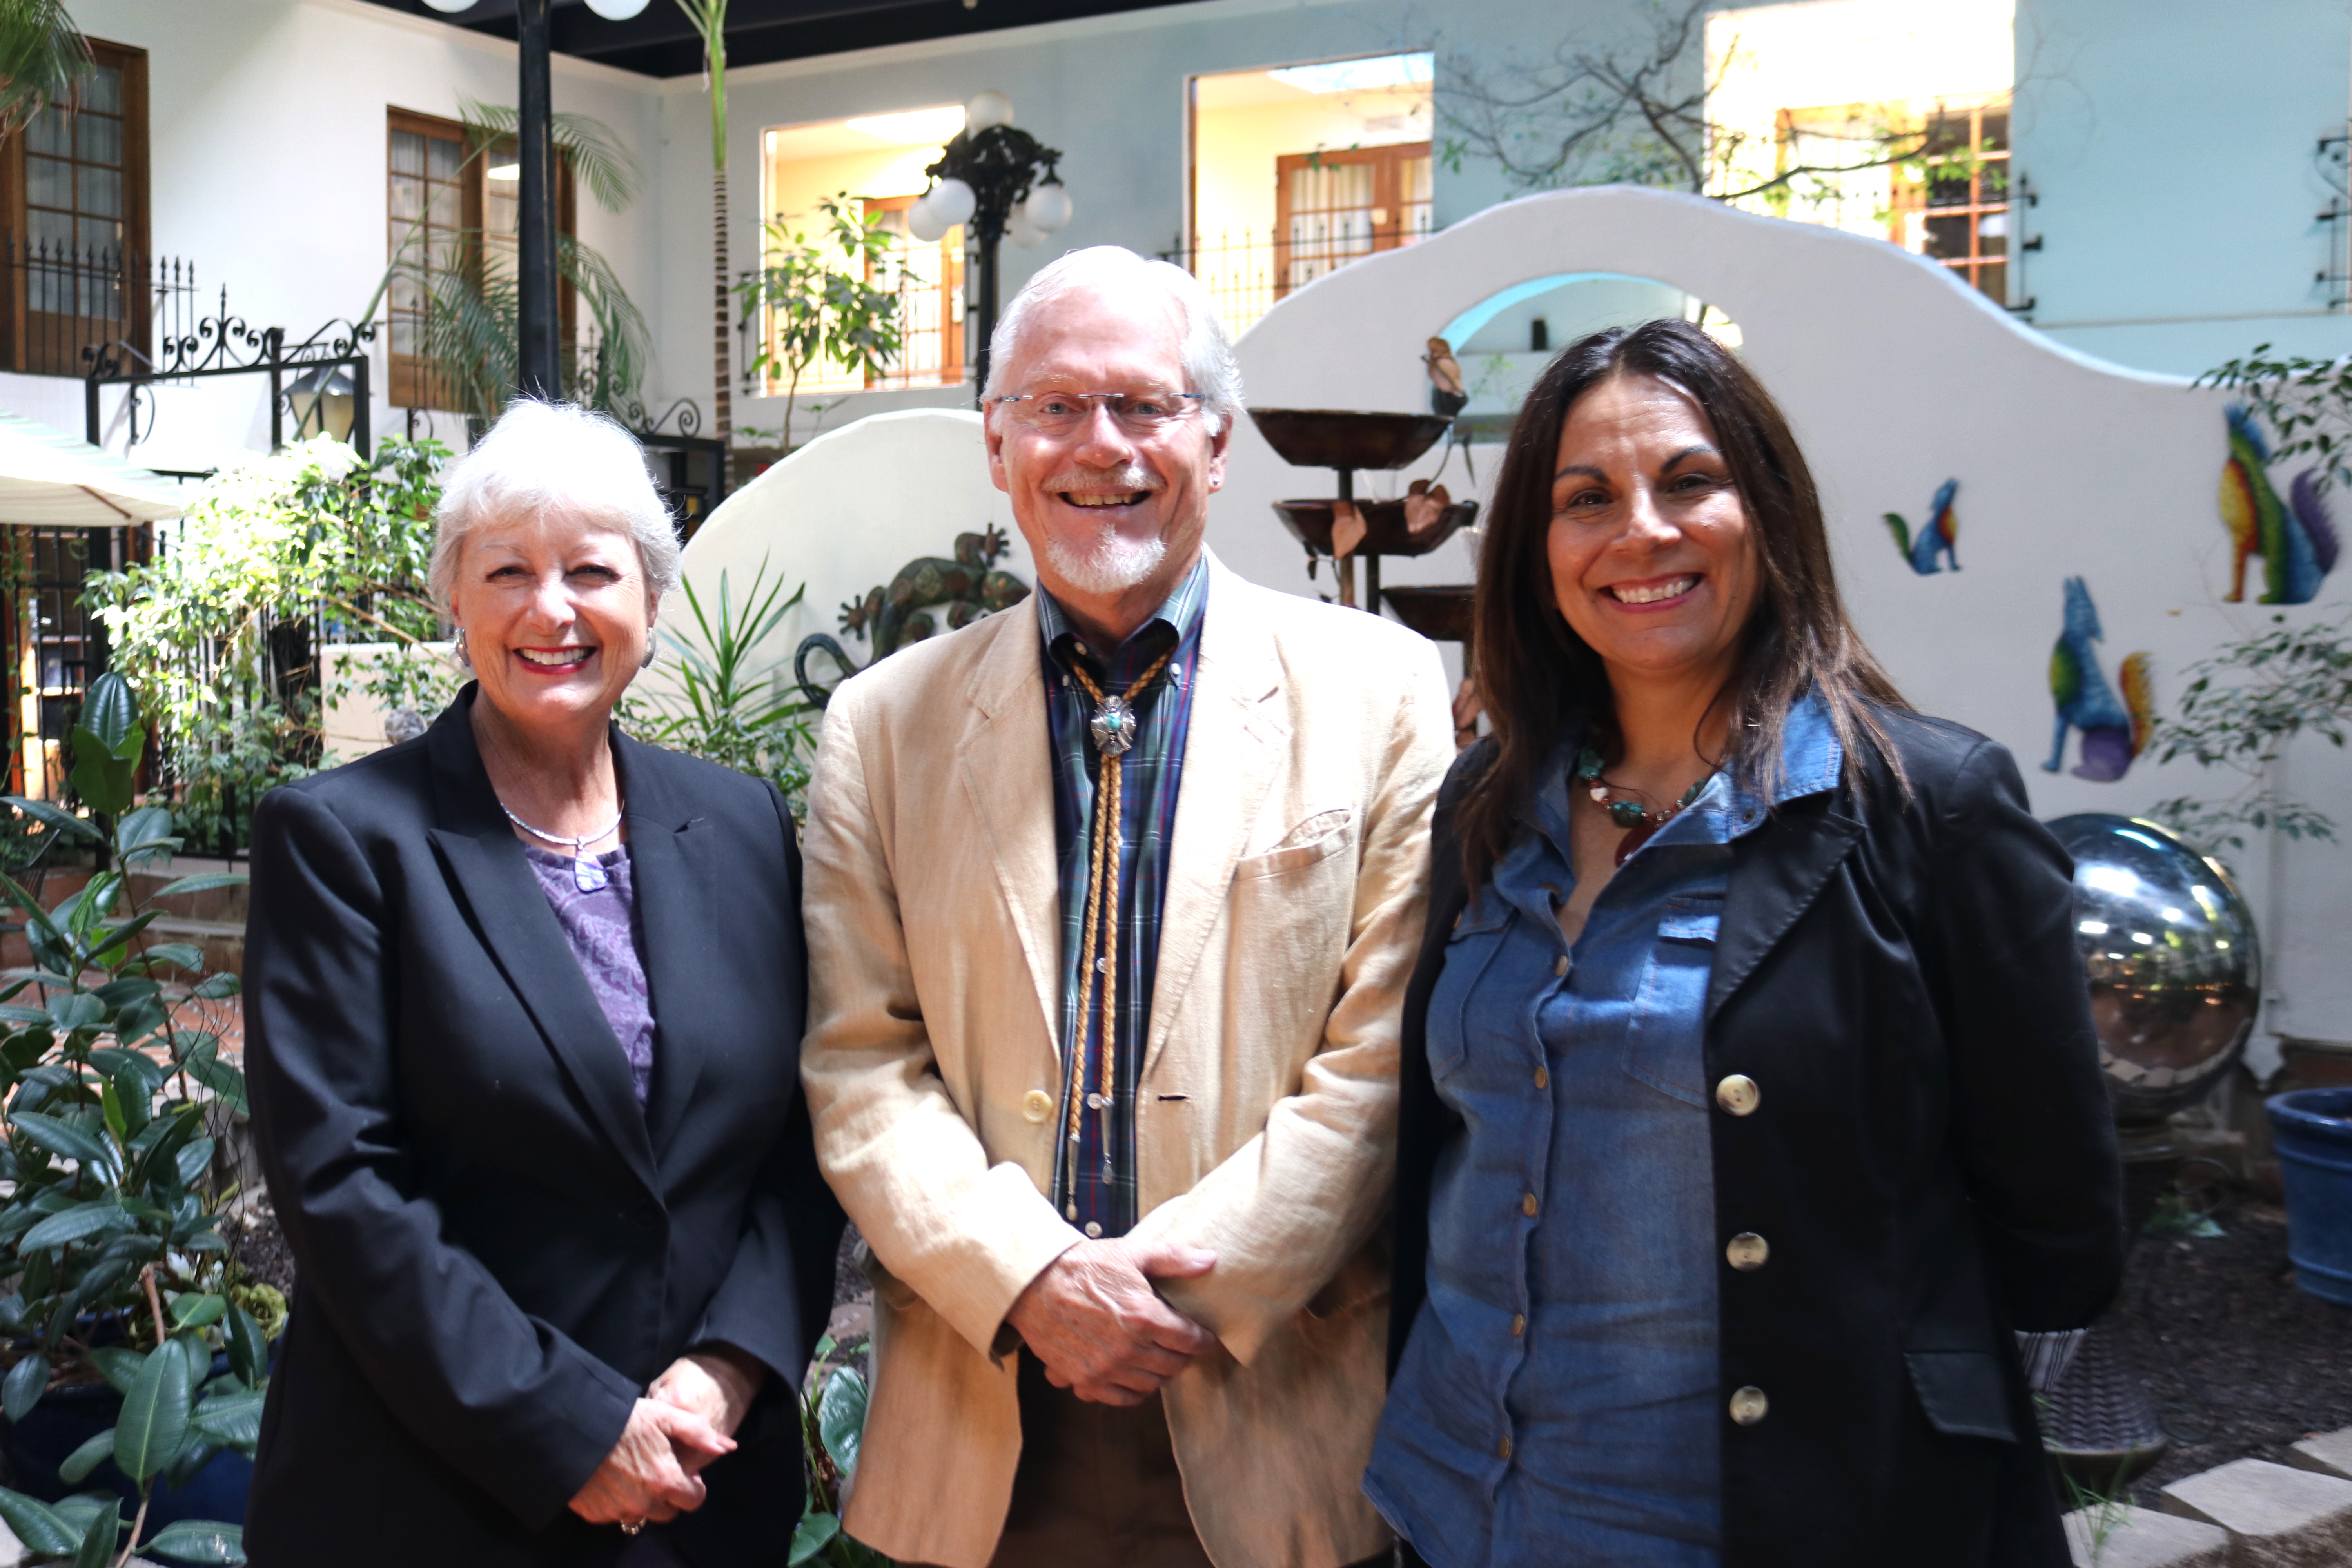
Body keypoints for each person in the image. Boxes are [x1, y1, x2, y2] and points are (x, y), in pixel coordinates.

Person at [1370, 319, 2125, 1568]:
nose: (1641, 533)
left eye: (1690, 482)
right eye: (1586, 498)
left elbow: (2059, 1234)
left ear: (1765, 509)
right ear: (1536, 549)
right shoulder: (1488, 803)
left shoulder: (1929, 810)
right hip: (1457, 1500)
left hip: (1765, 1519)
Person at [799, 245, 1453, 1568]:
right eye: (1053, 407)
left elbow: (1383, 1064)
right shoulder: (882, 725)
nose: (1100, 447)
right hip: (987, 1420)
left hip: (1277, 1406)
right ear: (997, 444)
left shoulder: (1378, 689)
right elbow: (861, 1062)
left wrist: (1157, 1298)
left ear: (1216, 443)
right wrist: (1036, 1282)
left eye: (1145, 406)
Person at [243, 401, 843, 1566]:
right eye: (507, 570)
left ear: (652, 605)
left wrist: (731, 1370)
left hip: (700, 1487)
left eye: (590, 570)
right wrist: (570, 1428)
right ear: (453, 601)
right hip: (432, 1497)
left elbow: (801, 1136)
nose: (551, 609)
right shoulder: (343, 839)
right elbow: (342, 1191)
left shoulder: (739, 824)